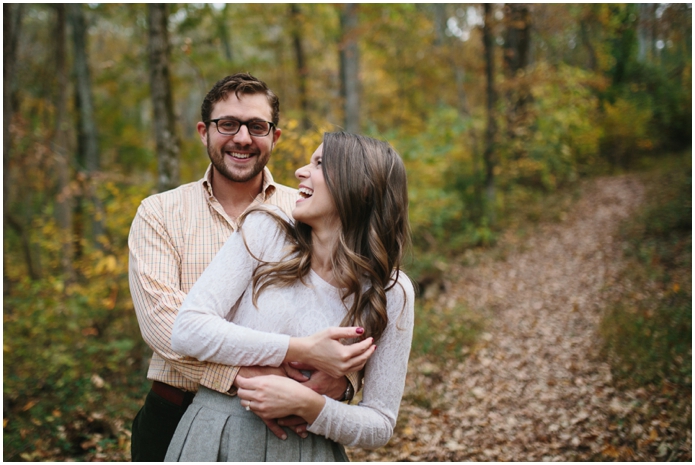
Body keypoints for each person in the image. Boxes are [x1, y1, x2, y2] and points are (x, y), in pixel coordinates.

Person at [129, 73, 356, 462]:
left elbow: (349, 301)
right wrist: (245, 377)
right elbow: (163, 322)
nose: (242, 138)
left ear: (275, 137)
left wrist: (343, 380)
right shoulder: (160, 213)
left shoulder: (307, 209)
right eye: (227, 124)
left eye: (256, 126)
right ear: (204, 132)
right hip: (176, 411)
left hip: (291, 421)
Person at [164, 132, 415, 461]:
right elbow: (187, 330)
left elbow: (379, 425)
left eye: (320, 163)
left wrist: (310, 405)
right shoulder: (265, 230)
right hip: (218, 437)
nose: (300, 171)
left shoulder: (391, 290)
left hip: (307, 450)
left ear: (362, 186)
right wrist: (301, 350)